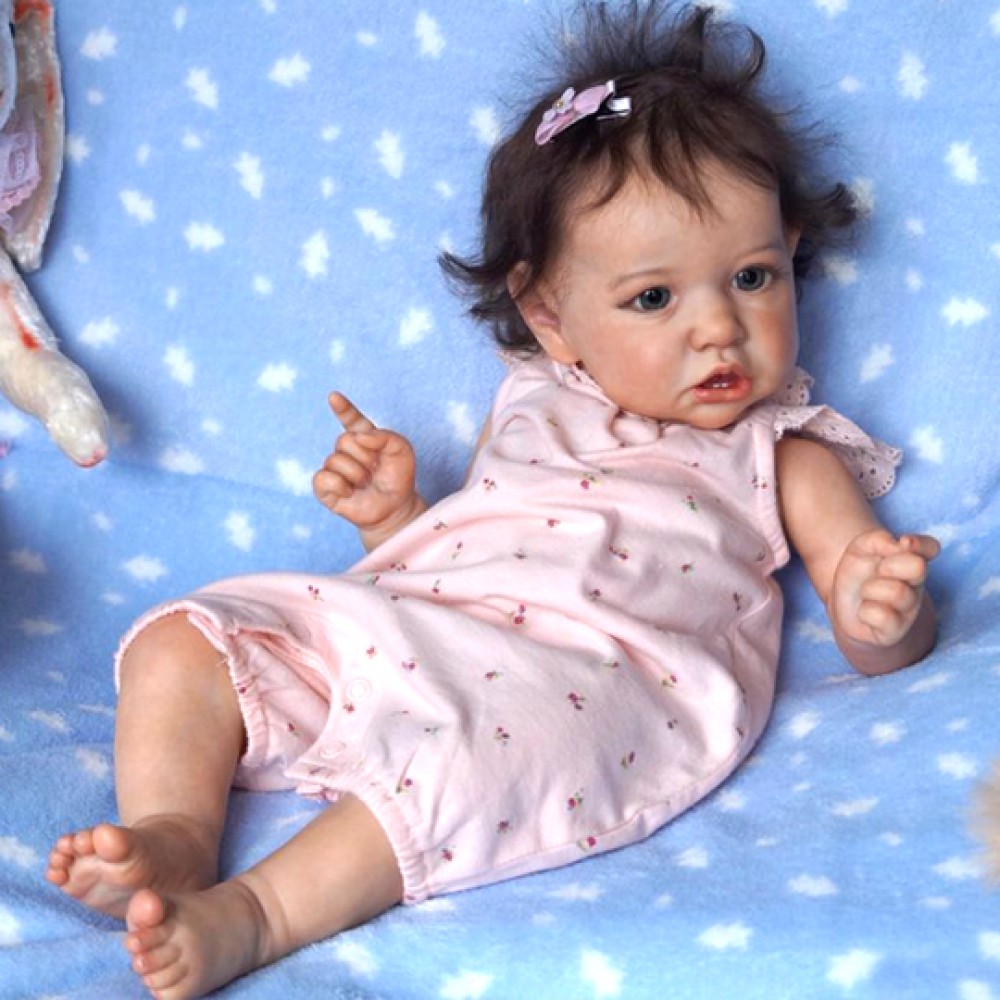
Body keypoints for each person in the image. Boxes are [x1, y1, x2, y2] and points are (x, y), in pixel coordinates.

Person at [45, 3, 940, 997]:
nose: (718, 329)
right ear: (549, 315)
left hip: (594, 676)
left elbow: (878, 638)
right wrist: (395, 520)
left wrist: (878, 610)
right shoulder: (532, 399)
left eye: (752, 277)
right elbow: (480, 541)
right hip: (421, 620)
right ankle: (175, 829)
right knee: (191, 635)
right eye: (654, 297)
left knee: (484, 758)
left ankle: (259, 913)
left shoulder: (783, 452)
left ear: (791, 251)